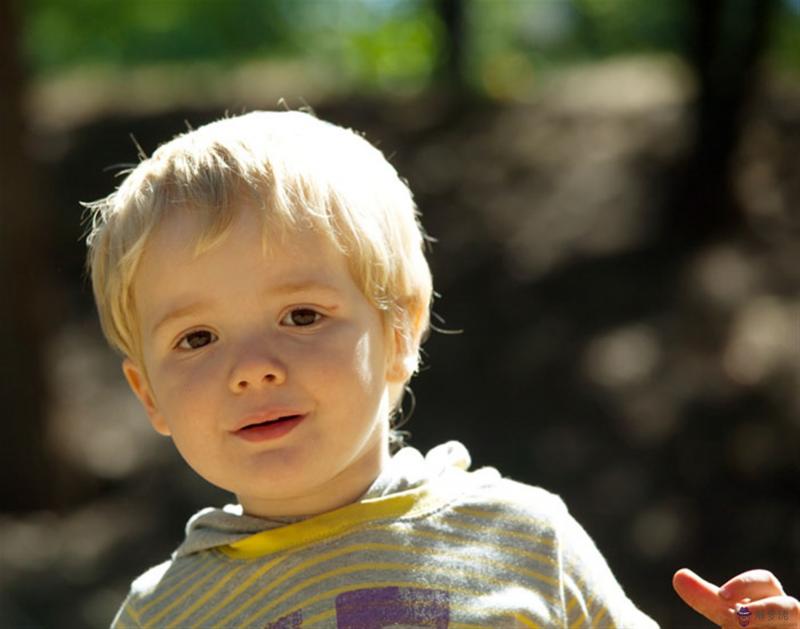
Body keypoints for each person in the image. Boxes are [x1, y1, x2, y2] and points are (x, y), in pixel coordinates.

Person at [85, 111, 797, 628]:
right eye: (198, 336)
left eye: (301, 316)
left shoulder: (522, 538)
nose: (253, 369)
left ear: (399, 331)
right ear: (148, 394)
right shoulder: (164, 615)